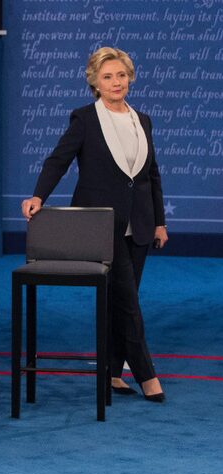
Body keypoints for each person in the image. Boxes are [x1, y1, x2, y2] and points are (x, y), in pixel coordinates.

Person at [21, 46, 168, 403]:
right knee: (128, 300)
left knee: (120, 301)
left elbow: (150, 175)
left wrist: (160, 223)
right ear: (95, 83)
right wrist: (38, 195)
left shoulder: (143, 120)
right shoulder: (85, 119)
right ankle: (147, 375)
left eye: (121, 75)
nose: (116, 82)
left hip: (141, 224)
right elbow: (59, 160)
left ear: (129, 77)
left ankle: (113, 374)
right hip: (99, 225)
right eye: (108, 77)